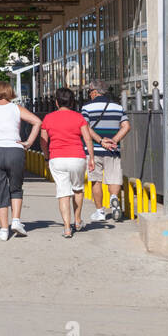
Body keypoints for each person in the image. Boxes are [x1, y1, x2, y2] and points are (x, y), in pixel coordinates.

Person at [0, 80, 43, 240]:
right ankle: (16, 221)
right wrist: (28, 143)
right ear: (9, 92)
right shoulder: (16, 108)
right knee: (16, 187)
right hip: (15, 151)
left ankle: (4, 230)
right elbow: (37, 122)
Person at [39, 87, 97, 237]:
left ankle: (66, 227)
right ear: (72, 102)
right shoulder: (79, 118)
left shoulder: (48, 118)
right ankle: (77, 220)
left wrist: (47, 157)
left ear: (57, 102)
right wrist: (91, 157)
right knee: (77, 189)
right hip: (77, 157)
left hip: (57, 158)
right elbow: (87, 138)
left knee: (63, 193)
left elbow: (43, 142)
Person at [83, 81, 131, 221]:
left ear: (95, 92)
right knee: (114, 178)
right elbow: (126, 126)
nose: (89, 95)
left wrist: (100, 141)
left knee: (95, 180)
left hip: (93, 149)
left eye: (90, 92)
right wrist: (114, 140)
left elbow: (85, 127)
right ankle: (114, 198)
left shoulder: (87, 107)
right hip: (113, 149)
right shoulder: (117, 107)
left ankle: (100, 212)